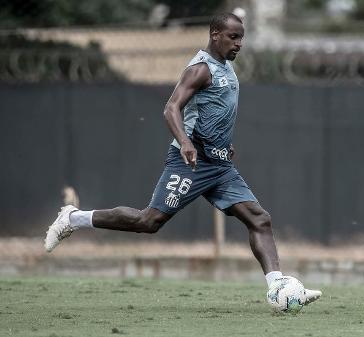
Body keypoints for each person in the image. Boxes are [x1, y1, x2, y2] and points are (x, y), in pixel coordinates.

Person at [44, 13, 321, 305]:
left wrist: (224, 145)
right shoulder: (200, 69)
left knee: (259, 219)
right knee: (148, 221)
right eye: (233, 37)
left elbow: (214, 112)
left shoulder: (226, 68)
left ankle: (277, 287)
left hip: (220, 166)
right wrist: (187, 143)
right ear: (215, 34)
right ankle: (74, 218)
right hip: (190, 162)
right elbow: (171, 108)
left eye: (241, 37)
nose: (239, 43)